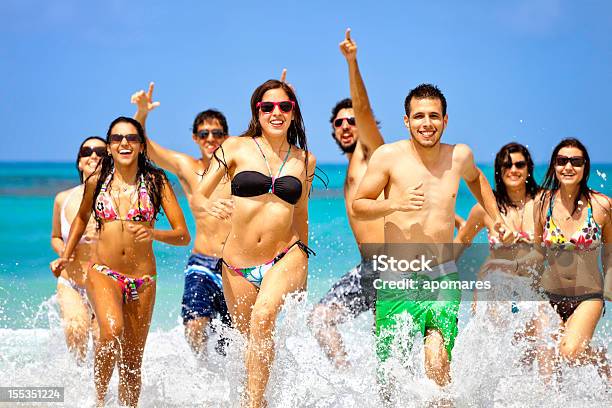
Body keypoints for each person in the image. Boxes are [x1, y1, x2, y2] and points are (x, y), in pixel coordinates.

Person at [349, 29, 511, 386]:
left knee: (437, 362)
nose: (427, 123)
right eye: (419, 116)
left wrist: (497, 219)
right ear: (406, 121)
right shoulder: (387, 157)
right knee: (391, 375)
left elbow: (478, 181)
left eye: (434, 116)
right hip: (397, 276)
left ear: (445, 120)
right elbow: (359, 206)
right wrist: (395, 203)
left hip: (443, 274)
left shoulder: (460, 155)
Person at [191, 79, 316, 408]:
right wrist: (208, 205)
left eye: (284, 106)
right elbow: (199, 194)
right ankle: (261, 399)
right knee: (252, 343)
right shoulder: (234, 147)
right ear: (256, 112)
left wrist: (304, 266)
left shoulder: (305, 160)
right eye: (268, 107)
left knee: (263, 319)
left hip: (285, 255)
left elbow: (300, 215)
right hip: (237, 264)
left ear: (293, 113)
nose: (276, 112)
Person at [51, 117, 190, 407]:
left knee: (132, 359)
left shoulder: (156, 181)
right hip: (103, 272)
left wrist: (154, 233)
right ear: (110, 146)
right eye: (116, 139)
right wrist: (65, 256)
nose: (124, 143)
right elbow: (80, 218)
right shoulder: (97, 181)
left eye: (131, 138)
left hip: (143, 279)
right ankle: (99, 400)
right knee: (111, 331)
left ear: (141, 145)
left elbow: (182, 235)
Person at [491, 138, 611, 381]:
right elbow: (537, 253)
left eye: (575, 161)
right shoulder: (542, 204)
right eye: (561, 161)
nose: (568, 167)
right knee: (547, 370)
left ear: (585, 167)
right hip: (549, 295)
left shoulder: (601, 205)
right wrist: (509, 266)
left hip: (587, 296)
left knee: (569, 352)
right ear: (554, 166)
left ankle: (599, 357)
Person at [131, 83, 232, 357]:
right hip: (203, 261)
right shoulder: (189, 167)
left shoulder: (240, 169)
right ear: (195, 138)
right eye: (204, 133)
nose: (210, 138)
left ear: (227, 136)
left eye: (217, 133)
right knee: (194, 327)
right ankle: (202, 374)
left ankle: (224, 391)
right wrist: (142, 114)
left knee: (232, 343)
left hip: (237, 265)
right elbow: (146, 149)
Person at [308, 29, 385, 369]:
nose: (345, 126)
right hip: (371, 269)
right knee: (320, 317)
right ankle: (348, 380)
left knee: (390, 343)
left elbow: (364, 109)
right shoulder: (353, 162)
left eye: (351, 120)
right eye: (339, 123)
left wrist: (352, 63)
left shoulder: (372, 152)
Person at [455, 142, 542, 364]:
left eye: (519, 164)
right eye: (507, 165)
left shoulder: (543, 203)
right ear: (498, 170)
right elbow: (461, 241)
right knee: (493, 350)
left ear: (528, 168)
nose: (513, 170)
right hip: (493, 285)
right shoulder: (486, 208)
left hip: (530, 285)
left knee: (529, 355)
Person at [50, 136, 106, 362]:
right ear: (80, 162)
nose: (93, 155)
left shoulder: (116, 199)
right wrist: (64, 252)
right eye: (87, 151)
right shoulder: (63, 198)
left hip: (104, 283)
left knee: (103, 340)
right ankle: (78, 380)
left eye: (101, 151)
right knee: (75, 329)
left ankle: (99, 393)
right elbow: (55, 236)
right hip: (71, 280)